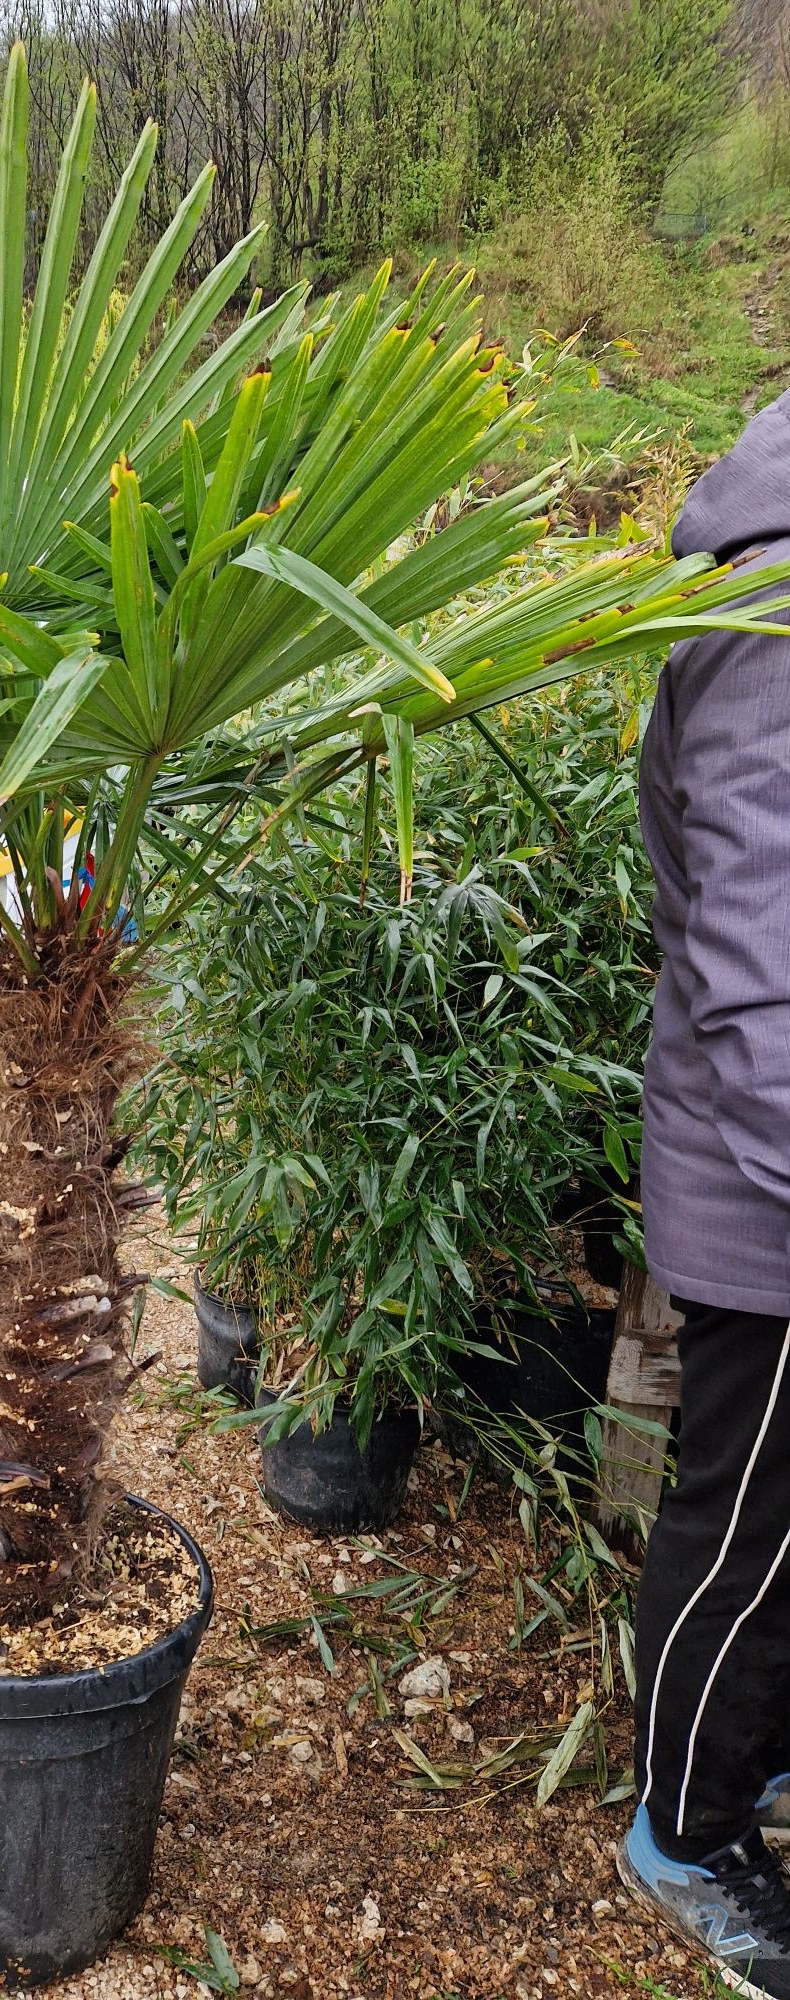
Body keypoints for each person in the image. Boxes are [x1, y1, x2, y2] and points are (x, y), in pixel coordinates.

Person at [618, 386, 790, 1997]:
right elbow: (764, 976)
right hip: (770, 1201)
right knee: (744, 1527)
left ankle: (757, 1749)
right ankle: (686, 1827)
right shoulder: (775, 620)